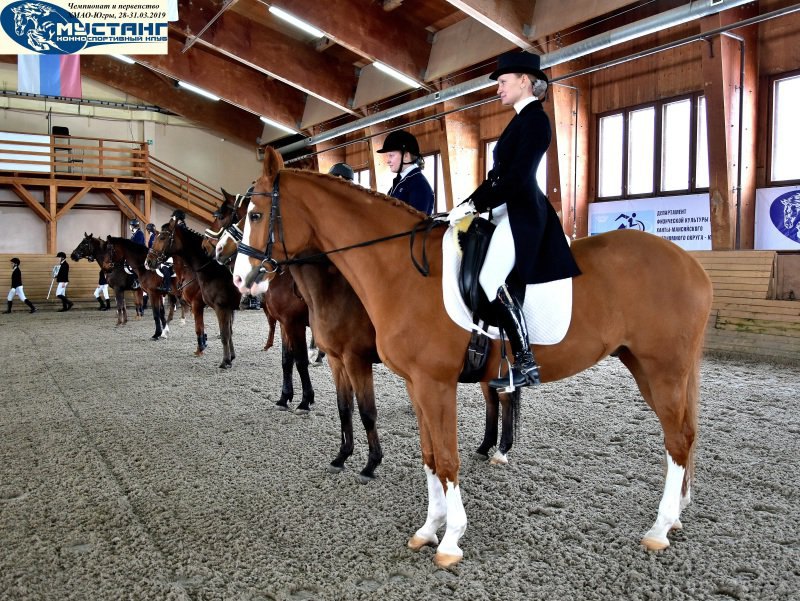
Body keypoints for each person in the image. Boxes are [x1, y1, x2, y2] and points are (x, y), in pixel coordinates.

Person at [448, 51, 581, 391]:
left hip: (524, 212)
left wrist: (475, 204)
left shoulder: (536, 120)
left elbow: (518, 177)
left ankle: (526, 362)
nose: (498, 89)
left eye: (503, 82)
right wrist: (464, 206)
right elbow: (497, 177)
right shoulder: (519, 119)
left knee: (491, 277)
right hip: (504, 209)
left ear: (525, 80)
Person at [377, 130, 434, 215]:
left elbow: (415, 224)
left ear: (406, 156)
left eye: (391, 155)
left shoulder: (418, 184)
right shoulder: (400, 182)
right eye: (387, 156)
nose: (388, 161)